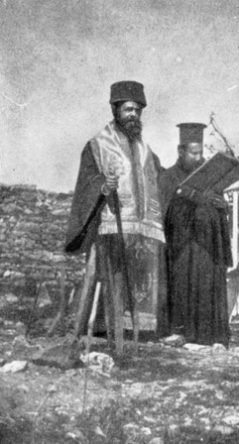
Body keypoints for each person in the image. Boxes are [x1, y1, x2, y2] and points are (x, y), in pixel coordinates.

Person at [65, 80, 167, 347]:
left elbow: (161, 180)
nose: (133, 115)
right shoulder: (98, 145)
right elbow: (86, 182)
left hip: (143, 230)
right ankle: (106, 330)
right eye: (128, 109)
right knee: (113, 278)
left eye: (137, 110)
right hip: (110, 226)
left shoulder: (146, 151)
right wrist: (103, 185)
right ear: (115, 110)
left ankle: (140, 332)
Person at [159, 123, 232, 346]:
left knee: (208, 287)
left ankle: (210, 336)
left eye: (201, 153)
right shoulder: (168, 177)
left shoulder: (210, 177)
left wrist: (222, 206)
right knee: (184, 287)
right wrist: (189, 197)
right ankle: (182, 333)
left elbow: (218, 207)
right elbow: (165, 213)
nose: (199, 158)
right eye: (193, 153)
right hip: (183, 248)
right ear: (181, 151)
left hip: (208, 247)